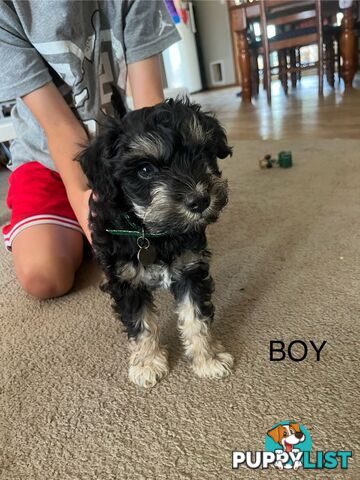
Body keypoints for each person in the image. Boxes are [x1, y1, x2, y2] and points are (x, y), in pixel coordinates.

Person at [0, 0, 180, 299]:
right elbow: (60, 127)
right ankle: (69, 227)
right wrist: (85, 206)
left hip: (118, 159)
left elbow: (149, 106)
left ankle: (73, 231)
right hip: (45, 161)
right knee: (44, 278)